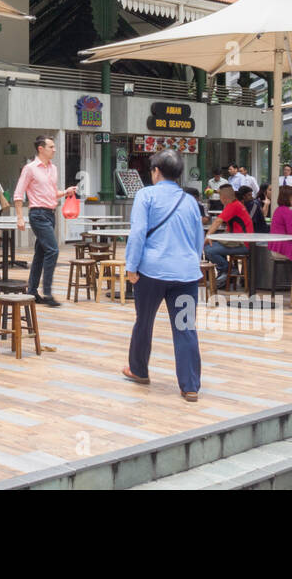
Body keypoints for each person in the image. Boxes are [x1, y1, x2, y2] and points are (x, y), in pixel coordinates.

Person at [122, 150, 206, 401]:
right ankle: (190, 386)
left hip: (151, 271)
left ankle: (138, 370)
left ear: (156, 171)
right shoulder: (190, 201)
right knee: (185, 327)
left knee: (144, 321)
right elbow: (198, 239)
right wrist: (190, 262)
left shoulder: (146, 195)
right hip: (186, 273)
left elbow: (137, 233)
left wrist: (131, 266)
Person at [13, 135, 78, 307]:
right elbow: (18, 194)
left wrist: (65, 192)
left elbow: (51, 192)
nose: (54, 150)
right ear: (40, 149)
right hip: (38, 214)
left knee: (41, 254)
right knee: (53, 250)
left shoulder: (53, 169)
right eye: (51, 147)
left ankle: (32, 292)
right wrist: (20, 217)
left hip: (50, 213)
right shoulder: (30, 168)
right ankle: (48, 293)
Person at [203, 184, 251, 288]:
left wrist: (207, 236)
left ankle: (227, 270)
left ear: (224, 198)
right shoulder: (237, 204)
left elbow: (217, 221)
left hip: (243, 244)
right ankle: (227, 272)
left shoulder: (232, 206)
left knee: (209, 249)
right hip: (242, 241)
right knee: (214, 246)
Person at [269, 185, 292, 264]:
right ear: (289, 198)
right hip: (283, 250)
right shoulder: (288, 212)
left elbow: (284, 226)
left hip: (275, 248)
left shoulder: (279, 209)